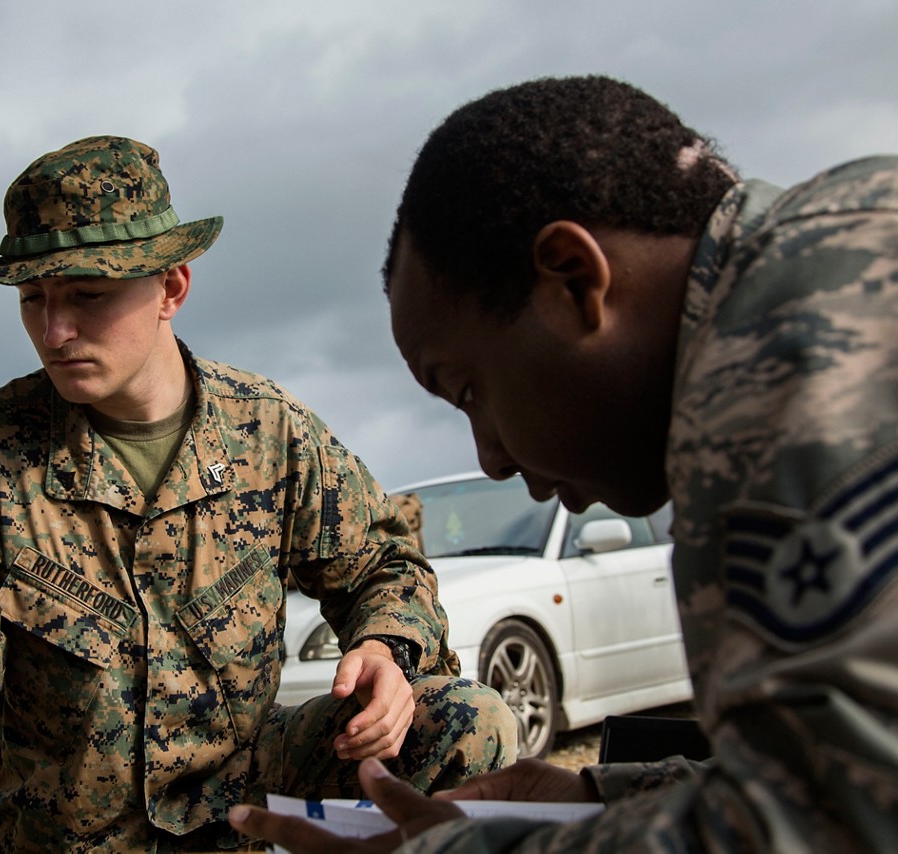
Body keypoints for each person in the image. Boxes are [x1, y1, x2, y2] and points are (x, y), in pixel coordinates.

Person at [229, 75, 898, 851]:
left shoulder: (777, 368)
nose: (490, 458)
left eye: (470, 389)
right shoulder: (832, 249)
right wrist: (607, 795)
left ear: (575, 280)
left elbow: (834, 826)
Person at [0, 135, 516, 851]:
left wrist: (385, 649)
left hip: (238, 812)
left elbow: (383, 562)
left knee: (466, 721)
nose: (53, 330)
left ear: (172, 288)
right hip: (64, 837)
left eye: (87, 296)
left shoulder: (266, 430)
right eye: (32, 298)